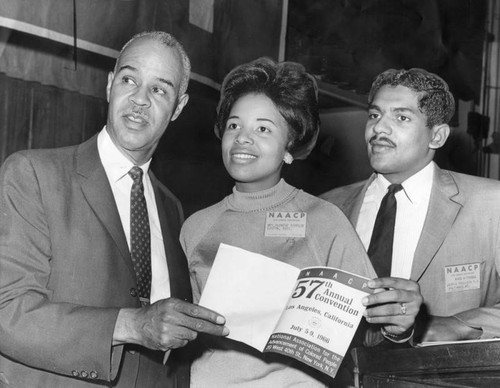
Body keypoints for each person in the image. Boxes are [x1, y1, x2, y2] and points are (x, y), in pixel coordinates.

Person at [0, 31, 228, 388]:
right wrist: (133, 325)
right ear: (109, 86)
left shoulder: (171, 208)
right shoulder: (34, 175)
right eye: (129, 79)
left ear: (178, 108)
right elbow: (7, 313)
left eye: (159, 90)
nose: (139, 100)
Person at [179, 57, 422, 387]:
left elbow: (369, 334)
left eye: (263, 128)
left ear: (290, 147)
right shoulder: (195, 226)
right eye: (234, 125)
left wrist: (400, 323)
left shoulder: (324, 220)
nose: (243, 138)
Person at [321, 68, 500, 343]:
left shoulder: (490, 204)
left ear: (437, 137)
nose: (378, 128)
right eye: (374, 115)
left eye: (401, 117)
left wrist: (437, 326)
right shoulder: (328, 206)